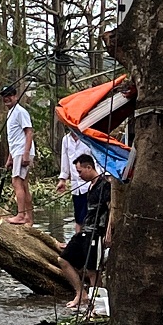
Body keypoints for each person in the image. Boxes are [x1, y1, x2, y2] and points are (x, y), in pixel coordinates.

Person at [63, 154, 113, 308]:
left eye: (80, 171)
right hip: (85, 229)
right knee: (63, 260)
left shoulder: (104, 185)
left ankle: (97, 306)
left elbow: (112, 209)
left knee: (92, 270)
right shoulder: (90, 186)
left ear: (89, 167)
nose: (79, 175)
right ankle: (81, 294)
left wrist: (108, 233)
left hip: (97, 232)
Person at [1, 84, 35, 225]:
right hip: (17, 151)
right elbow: (14, 138)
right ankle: (28, 218)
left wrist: (26, 153)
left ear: (15, 96)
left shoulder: (20, 112)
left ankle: (20, 215)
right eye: (4, 96)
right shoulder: (11, 113)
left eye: (9, 95)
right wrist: (10, 158)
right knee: (24, 184)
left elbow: (29, 132)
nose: (7, 98)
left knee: (16, 182)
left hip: (22, 151)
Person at [56, 128, 92, 234]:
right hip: (76, 185)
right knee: (78, 217)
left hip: (89, 183)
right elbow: (65, 159)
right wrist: (63, 179)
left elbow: (95, 158)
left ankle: (87, 239)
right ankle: (77, 239)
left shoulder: (88, 136)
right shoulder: (66, 139)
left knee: (89, 216)